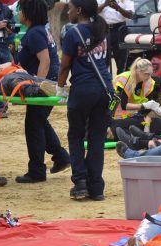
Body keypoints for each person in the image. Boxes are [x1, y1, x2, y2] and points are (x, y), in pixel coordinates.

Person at [57, 0, 112, 201]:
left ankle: (80, 182)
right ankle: (96, 188)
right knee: (97, 139)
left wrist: (60, 89)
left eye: (70, 8)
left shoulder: (73, 33)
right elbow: (105, 62)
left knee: (76, 135)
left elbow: (64, 66)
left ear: (78, 10)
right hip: (106, 90)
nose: (68, 12)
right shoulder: (102, 30)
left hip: (83, 90)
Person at [15, 0, 71, 184]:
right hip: (49, 82)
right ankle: (61, 157)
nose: (18, 13)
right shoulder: (38, 31)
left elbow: (45, 61)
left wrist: (37, 87)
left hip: (45, 84)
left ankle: (37, 170)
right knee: (38, 121)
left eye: (20, 10)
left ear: (28, 13)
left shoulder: (36, 33)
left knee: (33, 124)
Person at [109, 57, 161, 142]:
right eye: (147, 74)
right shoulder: (124, 79)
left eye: (151, 74)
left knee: (147, 124)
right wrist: (144, 106)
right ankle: (146, 137)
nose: (149, 77)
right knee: (119, 127)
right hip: (116, 115)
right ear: (138, 71)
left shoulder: (149, 83)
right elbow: (122, 105)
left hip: (135, 116)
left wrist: (155, 111)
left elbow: (148, 106)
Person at [97, 0, 134, 73]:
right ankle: (106, 82)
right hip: (104, 29)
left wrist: (118, 8)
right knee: (103, 59)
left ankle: (120, 83)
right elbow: (93, 12)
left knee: (121, 60)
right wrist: (104, 4)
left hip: (120, 29)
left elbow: (130, 15)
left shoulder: (125, 1)